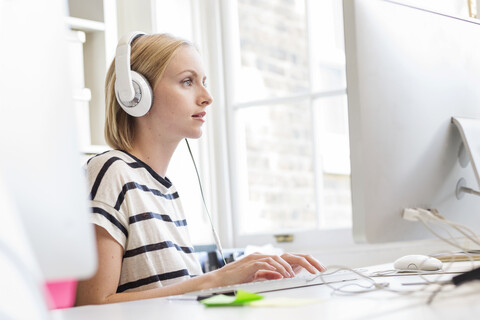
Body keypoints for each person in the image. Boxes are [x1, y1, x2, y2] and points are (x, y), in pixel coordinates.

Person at [75, 32, 325, 305]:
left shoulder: (165, 191)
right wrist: (218, 279)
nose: (207, 97)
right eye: (187, 81)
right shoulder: (111, 171)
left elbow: (178, 296)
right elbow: (91, 306)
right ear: (135, 94)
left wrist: (249, 277)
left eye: (203, 82)